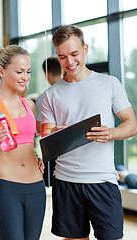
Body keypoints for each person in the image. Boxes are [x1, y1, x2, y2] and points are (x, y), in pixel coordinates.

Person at [41, 25, 137, 240]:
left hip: (103, 180)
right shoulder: (50, 95)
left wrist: (110, 133)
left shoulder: (109, 84)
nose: (70, 62)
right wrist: (55, 134)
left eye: (74, 54)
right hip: (66, 182)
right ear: (57, 56)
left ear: (85, 49)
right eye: (62, 56)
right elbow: (45, 138)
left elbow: (131, 124)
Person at [0, 45, 46, 240]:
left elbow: (30, 142)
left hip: (37, 188)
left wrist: (39, 156)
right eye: (19, 72)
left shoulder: (28, 104)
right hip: (6, 189)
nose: (25, 77)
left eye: (28, 72)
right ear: (1, 71)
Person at [35, 56, 62, 135]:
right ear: (62, 71)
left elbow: (40, 128)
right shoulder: (73, 91)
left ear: (47, 74)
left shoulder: (42, 98)